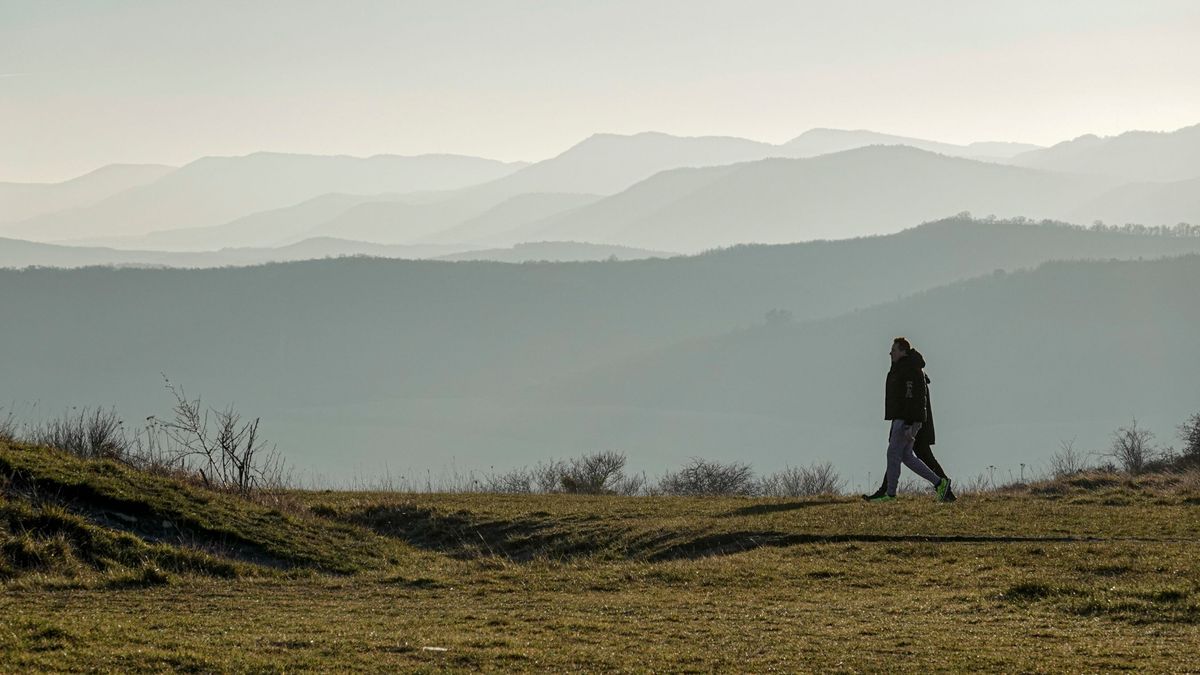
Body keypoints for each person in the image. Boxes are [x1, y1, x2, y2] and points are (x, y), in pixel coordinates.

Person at [863, 346, 956, 501]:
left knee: (900, 453)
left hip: (911, 421)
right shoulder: (904, 368)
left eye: (894, 350)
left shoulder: (910, 370)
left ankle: (889, 493)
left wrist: (909, 422)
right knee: (902, 454)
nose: (890, 353)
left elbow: (912, 399)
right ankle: (942, 486)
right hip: (910, 420)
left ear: (903, 352)